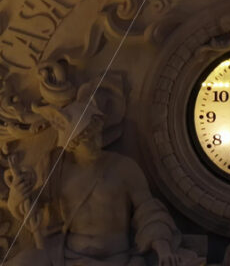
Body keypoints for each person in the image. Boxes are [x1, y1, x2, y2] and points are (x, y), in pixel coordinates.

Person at [4, 99, 191, 266]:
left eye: (97, 135)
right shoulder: (58, 168)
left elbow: (148, 211)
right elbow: (33, 209)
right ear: (72, 144)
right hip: (65, 256)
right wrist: (17, 197)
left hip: (116, 258)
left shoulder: (123, 167)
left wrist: (163, 248)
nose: (96, 142)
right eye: (87, 139)